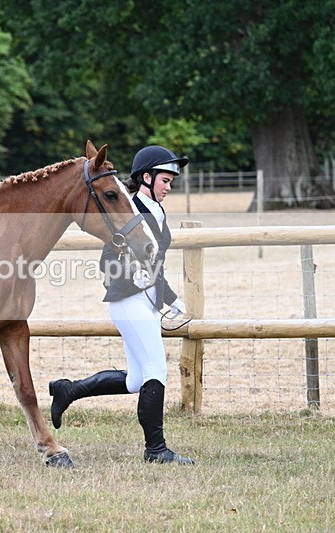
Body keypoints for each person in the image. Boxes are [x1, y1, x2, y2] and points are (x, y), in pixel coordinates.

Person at [49, 145, 195, 465]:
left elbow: (154, 261)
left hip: (146, 301)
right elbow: (109, 261)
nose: (168, 187)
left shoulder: (155, 209)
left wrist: (167, 297)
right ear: (146, 176)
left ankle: (68, 390)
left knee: (135, 380)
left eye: (171, 181)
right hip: (128, 300)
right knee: (156, 370)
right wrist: (134, 279)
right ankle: (155, 450)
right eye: (165, 180)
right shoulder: (128, 209)